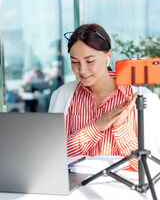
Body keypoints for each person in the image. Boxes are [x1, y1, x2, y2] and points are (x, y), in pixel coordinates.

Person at [49, 23, 138, 171]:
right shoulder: (63, 95)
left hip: (122, 189)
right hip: (74, 190)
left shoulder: (137, 98)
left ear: (108, 56)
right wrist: (96, 127)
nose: (82, 70)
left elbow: (146, 167)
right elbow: (51, 157)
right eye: (75, 62)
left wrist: (120, 127)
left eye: (90, 61)